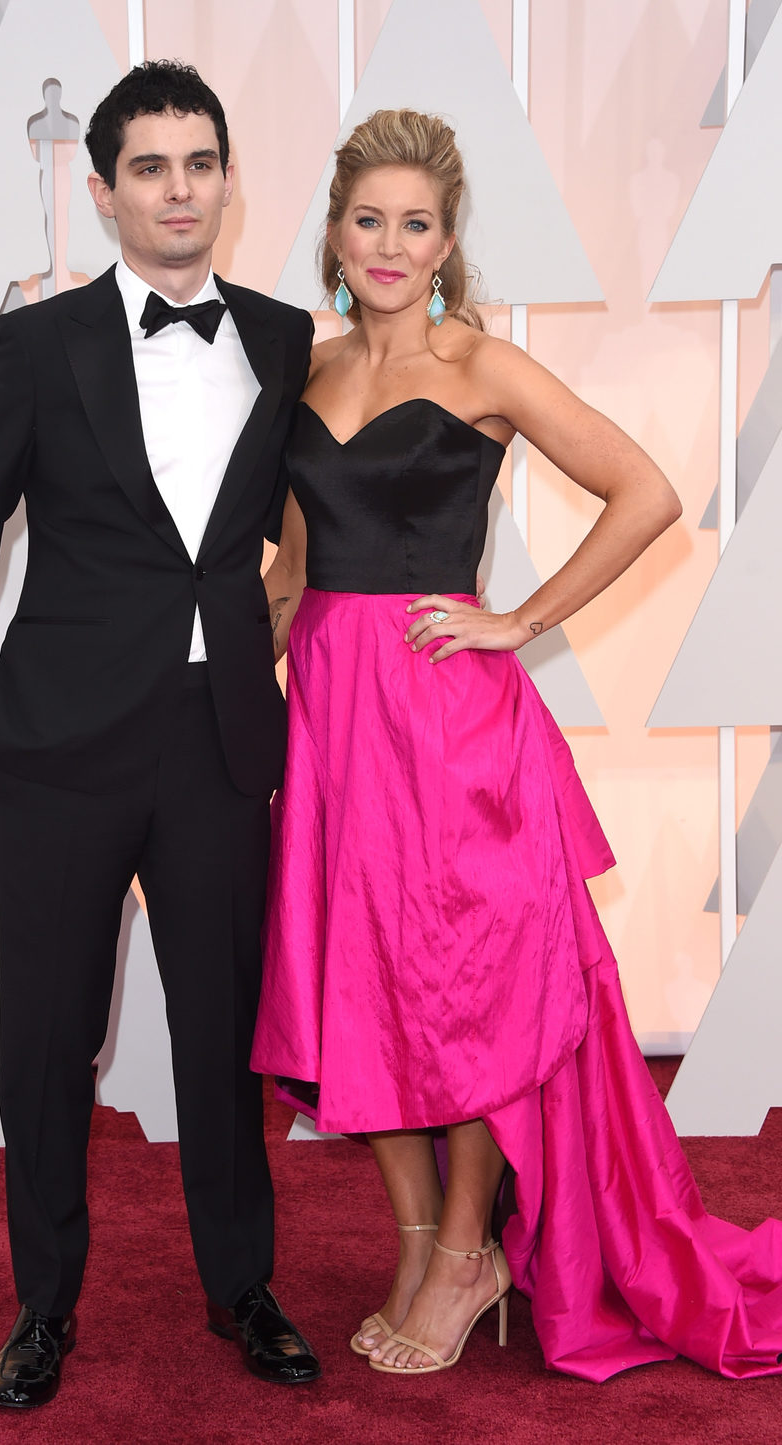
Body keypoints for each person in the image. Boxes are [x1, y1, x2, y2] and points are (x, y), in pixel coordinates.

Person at [251, 109, 782, 1381]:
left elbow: (646, 488)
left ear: (446, 245)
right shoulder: (304, 374)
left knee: (472, 993)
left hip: (449, 721)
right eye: (367, 218)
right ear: (334, 231)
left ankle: (466, 1253)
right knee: (352, 985)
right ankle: (424, 1237)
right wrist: (209, 681)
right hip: (332, 721)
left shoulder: (483, 368)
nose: (389, 243)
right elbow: (296, 569)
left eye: (415, 224)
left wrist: (518, 621)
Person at [0, 61, 320, 1408]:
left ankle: (241, 1286)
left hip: (217, 737)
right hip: (63, 743)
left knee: (222, 1033)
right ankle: (43, 1305)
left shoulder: (283, 336)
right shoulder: (43, 343)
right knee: (49, 1039)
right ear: (105, 192)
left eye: (200, 161)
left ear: (227, 180)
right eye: (151, 167)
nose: (180, 186)